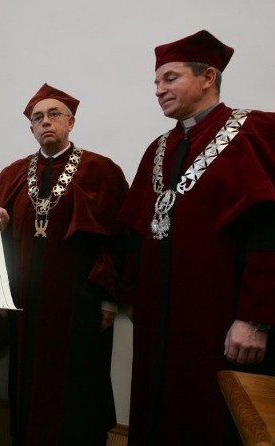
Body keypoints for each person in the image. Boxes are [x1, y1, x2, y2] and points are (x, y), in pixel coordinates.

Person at [119, 30, 275, 445]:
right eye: (155, 82)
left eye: (169, 78)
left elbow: (268, 230)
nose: (158, 90)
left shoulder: (253, 131)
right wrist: (132, 295)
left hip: (222, 322)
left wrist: (254, 318)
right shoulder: (159, 147)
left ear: (208, 77)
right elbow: (136, 229)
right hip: (159, 321)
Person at [0, 83, 129, 445]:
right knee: (29, 378)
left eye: (54, 115)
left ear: (71, 122)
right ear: (31, 129)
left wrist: (108, 299)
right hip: (26, 302)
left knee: (78, 383)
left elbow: (119, 240)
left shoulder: (102, 171)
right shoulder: (12, 174)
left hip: (81, 303)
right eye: (37, 118)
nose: (45, 122)